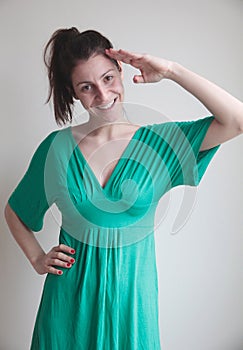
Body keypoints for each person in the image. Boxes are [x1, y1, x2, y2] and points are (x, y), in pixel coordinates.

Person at [4, 27, 243, 350]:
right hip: (67, 312)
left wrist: (172, 71)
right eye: (86, 87)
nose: (102, 95)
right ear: (74, 92)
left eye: (107, 78)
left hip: (132, 308)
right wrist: (36, 258)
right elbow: (15, 211)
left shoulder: (160, 145)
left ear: (120, 70)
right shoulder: (55, 150)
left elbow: (237, 120)